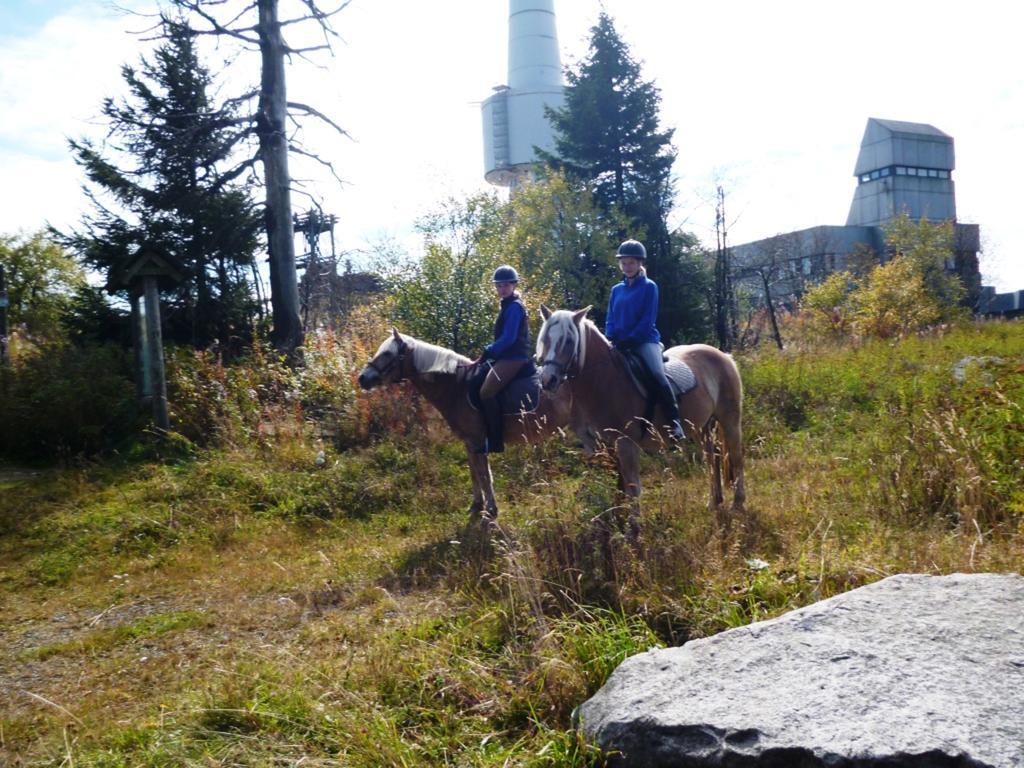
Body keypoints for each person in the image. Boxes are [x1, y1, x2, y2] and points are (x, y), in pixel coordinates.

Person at [605, 239, 684, 441]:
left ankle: (675, 423)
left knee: (657, 374)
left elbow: (647, 319)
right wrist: (610, 336)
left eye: (631, 263)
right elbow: (610, 317)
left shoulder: (649, 287)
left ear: (640, 263)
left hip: (644, 341)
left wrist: (632, 339)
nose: (627, 267)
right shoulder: (616, 290)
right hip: (619, 342)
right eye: (623, 263)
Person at [470, 265, 533, 453]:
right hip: (506, 356)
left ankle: (496, 441)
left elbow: (509, 338)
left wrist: (490, 349)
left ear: (513, 285)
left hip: (514, 358)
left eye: (505, 285)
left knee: (486, 393)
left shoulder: (514, 307)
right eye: (498, 286)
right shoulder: (507, 304)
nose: (501, 289)